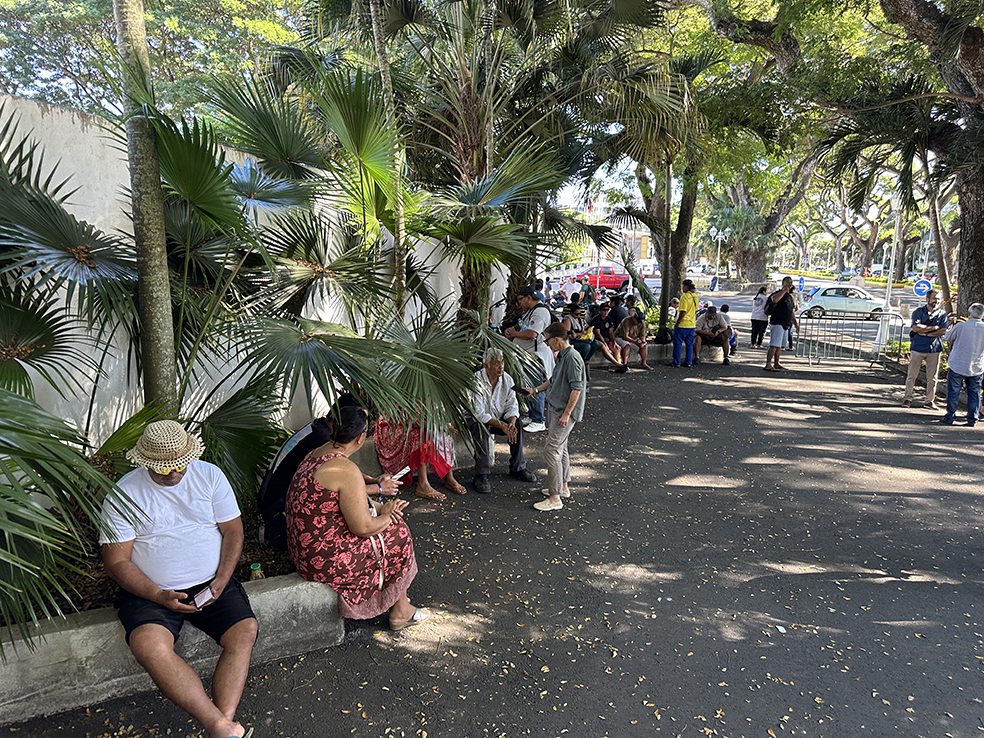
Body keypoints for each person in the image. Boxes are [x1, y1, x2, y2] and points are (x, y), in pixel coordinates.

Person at [99, 421, 258, 738]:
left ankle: (221, 725)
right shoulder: (125, 494)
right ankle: (219, 726)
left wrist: (221, 580)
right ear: (145, 462)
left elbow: (233, 531)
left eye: (180, 465)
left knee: (244, 631)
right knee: (148, 645)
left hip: (211, 582)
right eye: (163, 469)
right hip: (151, 589)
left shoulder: (210, 475)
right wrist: (157, 595)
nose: (173, 474)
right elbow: (116, 561)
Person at [286, 405, 427, 630]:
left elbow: (349, 502)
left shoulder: (315, 454)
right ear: (361, 438)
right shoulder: (345, 468)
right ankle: (401, 611)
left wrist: (382, 508)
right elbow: (363, 527)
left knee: (388, 527)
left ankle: (397, 599)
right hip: (323, 561)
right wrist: (389, 514)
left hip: (303, 552)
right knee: (398, 533)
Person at [257, 398, 399, 549]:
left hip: (280, 504)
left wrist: (372, 481)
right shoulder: (322, 441)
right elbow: (341, 493)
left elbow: (340, 478)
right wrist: (379, 490)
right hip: (279, 509)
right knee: (395, 531)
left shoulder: (321, 431)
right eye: (357, 422)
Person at [524, 322, 586, 511]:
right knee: (561, 448)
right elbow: (554, 379)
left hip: (562, 411)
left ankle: (554, 497)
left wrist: (567, 414)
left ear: (557, 339)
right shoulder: (563, 355)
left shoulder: (572, 357)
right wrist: (535, 390)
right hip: (556, 407)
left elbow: (577, 388)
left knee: (551, 450)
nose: (546, 344)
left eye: (547, 340)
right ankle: (563, 487)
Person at [466, 348, 538, 493]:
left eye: (502, 362)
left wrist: (511, 423)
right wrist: (502, 425)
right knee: (480, 427)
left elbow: (512, 406)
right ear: (486, 365)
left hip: (498, 417)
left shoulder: (507, 379)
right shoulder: (476, 380)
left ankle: (518, 467)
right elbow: (479, 413)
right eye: (496, 363)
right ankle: (481, 474)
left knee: (518, 424)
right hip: (476, 419)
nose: (501, 366)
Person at [375, 415, 466, 500]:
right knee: (419, 436)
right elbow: (413, 422)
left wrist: (447, 426)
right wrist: (439, 427)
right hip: (398, 424)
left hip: (424, 424)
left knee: (443, 434)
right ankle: (423, 484)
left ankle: (449, 477)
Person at [504, 285, 555, 434]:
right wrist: (512, 331)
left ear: (529, 297)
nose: (519, 302)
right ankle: (532, 415)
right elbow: (523, 328)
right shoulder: (530, 311)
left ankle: (539, 420)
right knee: (528, 386)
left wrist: (514, 334)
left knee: (535, 386)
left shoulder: (540, 312)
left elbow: (532, 334)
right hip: (527, 355)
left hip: (536, 356)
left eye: (521, 299)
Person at [902, 289, 947, 409]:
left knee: (933, 377)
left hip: (934, 349)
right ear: (927, 299)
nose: (936, 301)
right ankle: (907, 398)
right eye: (934, 298)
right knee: (912, 375)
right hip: (918, 348)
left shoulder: (942, 314)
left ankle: (929, 400)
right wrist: (933, 328)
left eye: (938, 299)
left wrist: (926, 332)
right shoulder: (918, 312)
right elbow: (916, 328)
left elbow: (943, 331)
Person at [940, 303, 984, 426]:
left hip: (958, 364)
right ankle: (973, 418)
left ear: (968, 314)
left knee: (953, 391)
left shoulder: (961, 326)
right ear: (982, 315)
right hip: (977, 366)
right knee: (974, 393)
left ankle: (950, 416)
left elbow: (947, 337)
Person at [764, 276, 799, 372]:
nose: (789, 284)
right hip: (777, 322)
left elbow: (791, 311)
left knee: (779, 345)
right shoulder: (778, 294)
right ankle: (768, 364)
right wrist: (784, 291)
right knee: (774, 344)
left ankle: (776, 362)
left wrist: (795, 324)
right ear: (783, 283)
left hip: (786, 323)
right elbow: (774, 299)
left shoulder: (790, 297)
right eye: (787, 282)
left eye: (790, 283)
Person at [590, 302, 628, 371]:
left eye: (607, 310)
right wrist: (604, 342)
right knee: (604, 347)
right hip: (598, 340)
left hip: (607, 339)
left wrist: (614, 342)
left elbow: (611, 332)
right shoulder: (596, 319)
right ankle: (617, 364)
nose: (606, 312)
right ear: (600, 310)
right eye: (604, 310)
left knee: (616, 348)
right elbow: (598, 334)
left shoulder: (608, 319)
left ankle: (619, 366)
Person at [673, 279, 699, 367]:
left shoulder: (685, 297)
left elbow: (683, 311)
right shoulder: (695, 297)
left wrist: (678, 321)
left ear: (686, 287)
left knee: (678, 344)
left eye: (683, 287)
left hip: (683, 324)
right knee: (689, 344)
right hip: (691, 324)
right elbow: (695, 310)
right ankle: (688, 362)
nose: (682, 288)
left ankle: (676, 362)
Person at [563, 301, 598, 366]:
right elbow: (568, 334)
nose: (578, 315)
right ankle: (579, 362)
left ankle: (586, 360)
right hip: (572, 340)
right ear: (571, 313)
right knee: (586, 346)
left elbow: (583, 329)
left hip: (580, 338)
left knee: (595, 343)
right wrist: (579, 334)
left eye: (579, 314)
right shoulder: (568, 319)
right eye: (576, 314)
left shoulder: (580, 319)